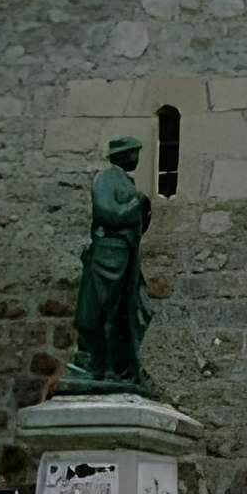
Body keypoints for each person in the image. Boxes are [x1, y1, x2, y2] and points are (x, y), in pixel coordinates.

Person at [66, 136, 155, 392]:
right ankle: (94, 365)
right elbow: (107, 213)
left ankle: (115, 368)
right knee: (96, 311)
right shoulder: (106, 179)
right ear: (124, 155)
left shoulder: (126, 181)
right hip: (108, 256)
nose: (137, 157)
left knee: (120, 315)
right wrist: (136, 203)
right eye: (134, 153)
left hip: (124, 257)